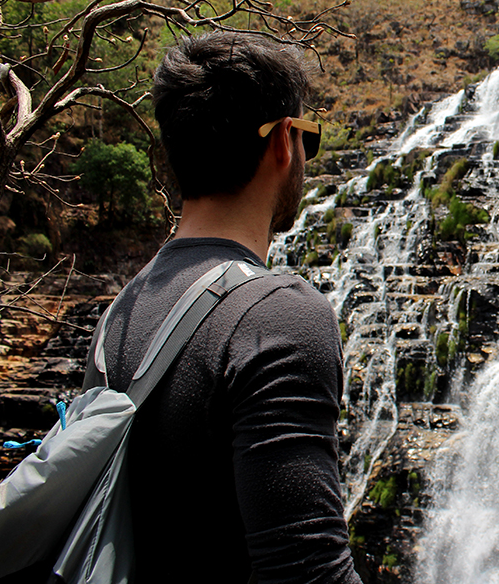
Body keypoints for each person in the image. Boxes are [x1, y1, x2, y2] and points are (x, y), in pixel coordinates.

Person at [81, 32, 363, 583]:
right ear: (285, 141)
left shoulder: (121, 312)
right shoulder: (277, 315)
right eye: (310, 136)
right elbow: (308, 574)